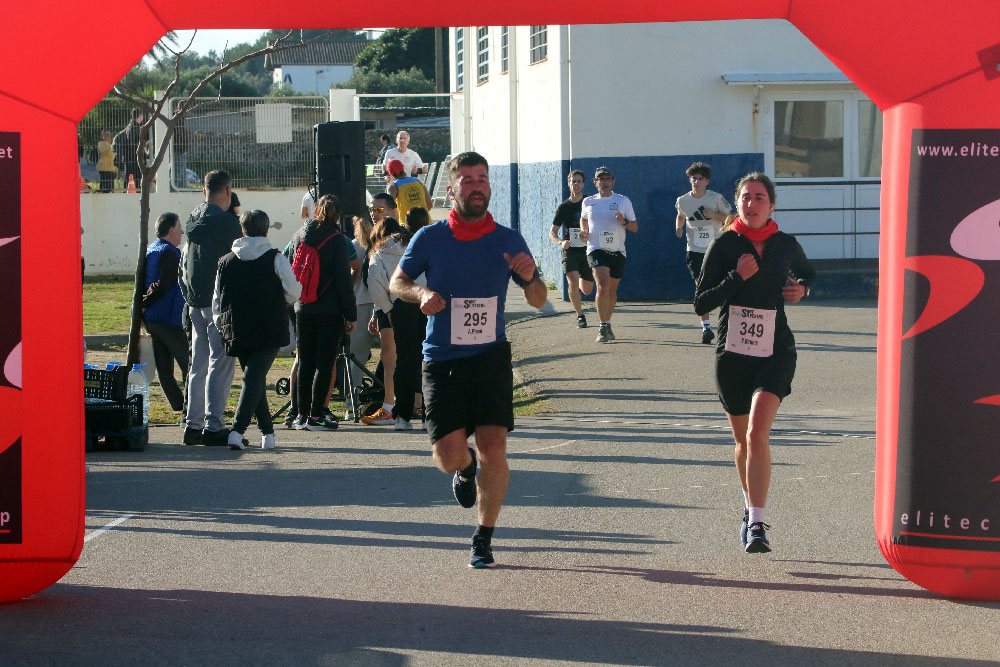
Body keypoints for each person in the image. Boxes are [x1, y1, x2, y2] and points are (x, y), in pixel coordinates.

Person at [390, 151, 548, 568]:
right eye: (468, 180)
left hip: (490, 356)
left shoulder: (508, 239)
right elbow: (397, 282)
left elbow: (538, 300)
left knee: (496, 448)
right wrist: (421, 294)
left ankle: (483, 536)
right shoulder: (431, 237)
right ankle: (466, 465)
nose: (477, 187)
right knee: (447, 456)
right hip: (442, 358)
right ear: (452, 189)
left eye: (482, 179)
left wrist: (530, 276)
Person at [693, 172, 815, 554]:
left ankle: (758, 524)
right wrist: (736, 276)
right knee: (742, 441)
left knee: (756, 433)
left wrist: (802, 289)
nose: (752, 203)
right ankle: (749, 509)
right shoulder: (725, 245)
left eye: (759, 197)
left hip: (776, 350)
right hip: (733, 355)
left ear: (772, 205)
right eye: (746, 197)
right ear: (738, 202)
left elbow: (808, 273)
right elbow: (701, 302)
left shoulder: (785, 244)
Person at [213, 210, 301, 450]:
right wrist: (278, 301)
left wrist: (221, 324)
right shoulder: (275, 258)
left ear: (242, 230)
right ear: (266, 230)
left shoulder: (225, 261)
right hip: (269, 325)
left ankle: (268, 433)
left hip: (237, 326)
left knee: (254, 378)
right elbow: (294, 291)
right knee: (253, 378)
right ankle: (237, 430)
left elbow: (217, 299)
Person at [179, 170, 242, 446]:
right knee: (221, 362)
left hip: (195, 300)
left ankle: (192, 423)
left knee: (199, 364)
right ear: (228, 190)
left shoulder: (193, 219)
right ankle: (214, 425)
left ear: (204, 190)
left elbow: (184, 263)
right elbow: (238, 260)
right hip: (219, 301)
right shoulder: (228, 223)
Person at [286, 194, 357, 431]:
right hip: (330, 309)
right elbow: (343, 281)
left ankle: (300, 414)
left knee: (305, 361)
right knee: (325, 363)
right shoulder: (337, 240)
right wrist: (351, 314)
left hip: (303, 306)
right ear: (338, 216)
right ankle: (316, 415)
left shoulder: (299, 235)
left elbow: (291, 268)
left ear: (316, 210)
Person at [369, 207, 430, 431]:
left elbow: (374, 281)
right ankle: (427, 412)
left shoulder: (381, 250)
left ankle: (402, 415)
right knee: (428, 357)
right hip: (426, 300)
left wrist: (388, 309)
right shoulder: (425, 245)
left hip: (400, 304)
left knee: (404, 359)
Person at [578, 166, 638, 343]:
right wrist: (584, 231)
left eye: (607, 179)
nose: (604, 182)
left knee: (611, 290)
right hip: (595, 248)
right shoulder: (588, 201)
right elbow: (583, 218)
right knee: (602, 286)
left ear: (613, 181)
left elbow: (635, 227)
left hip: (617, 250)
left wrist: (623, 221)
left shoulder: (623, 201)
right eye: (600, 179)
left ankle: (607, 322)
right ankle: (603, 326)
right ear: (595, 182)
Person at [676, 162, 733, 344]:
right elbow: (681, 215)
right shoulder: (683, 200)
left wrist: (715, 215)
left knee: (721, 287)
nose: (697, 181)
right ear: (690, 180)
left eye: (700, 178)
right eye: (694, 178)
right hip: (695, 250)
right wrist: (678, 227)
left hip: (716, 249)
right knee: (701, 287)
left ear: (707, 181)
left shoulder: (716, 198)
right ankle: (706, 328)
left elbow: (732, 218)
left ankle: (726, 325)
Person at [360, 193, 399, 426]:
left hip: (389, 307)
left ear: (393, 210)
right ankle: (414, 405)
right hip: (411, 307)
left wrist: (383, 309)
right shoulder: (412, 243)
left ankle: (389, 407)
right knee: (410, 357)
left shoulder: (379, 249)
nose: (374, 214)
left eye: (379, 210)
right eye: (372, 210)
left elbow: (374, 281)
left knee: (389, 358)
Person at [141, 213, 187, 412]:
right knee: (188, 362)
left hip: (152, 317)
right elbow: (164, 284)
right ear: (171, 230)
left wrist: (143, 304)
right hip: (167, 317)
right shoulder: (170, 253)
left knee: (164, 364)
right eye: (179, 227)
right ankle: (191, 404)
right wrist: (146, 301)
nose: (182, 232)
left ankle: (177, 402)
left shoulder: (152, 249)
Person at [548, 169, 595, 328]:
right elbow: (552, 232)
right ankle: (580, 315)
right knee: (572, 283)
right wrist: (561, 242)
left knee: (587, 290)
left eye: (579, 181)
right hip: (570, 250)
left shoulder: (590, 202)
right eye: (573, 181)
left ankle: (582, 279)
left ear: (583, 184)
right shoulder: (564, 207)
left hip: (587, 249)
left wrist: (589, 234)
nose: (576, 184)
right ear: (569, 183)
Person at [344, 214, 378, 420]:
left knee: (355, 358)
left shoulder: (353, 246)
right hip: (378, 303)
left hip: (358, 304)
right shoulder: (377, 245)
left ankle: (352, 404)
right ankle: (386, 399)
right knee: (389, 355)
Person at [113, 108, 143, 191]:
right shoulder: (134, 127)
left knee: (129, 177)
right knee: (136, 178)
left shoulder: (130, 126)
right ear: (140, 115)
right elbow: (131, 142)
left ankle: (128, 192)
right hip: (133, 157)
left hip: (129, 157)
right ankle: (136, 193)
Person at [96, 129, 117, 193]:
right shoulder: (101, 143)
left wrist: (116, 169)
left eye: (109, 134)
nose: (108, 136)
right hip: (104, 168)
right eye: (106, 135)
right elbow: (103, 151)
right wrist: (112, 146)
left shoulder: (111, 144)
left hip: (111, 168)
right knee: (105, 187)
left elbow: (114, 156)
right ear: (102, 135)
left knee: (111, 187)